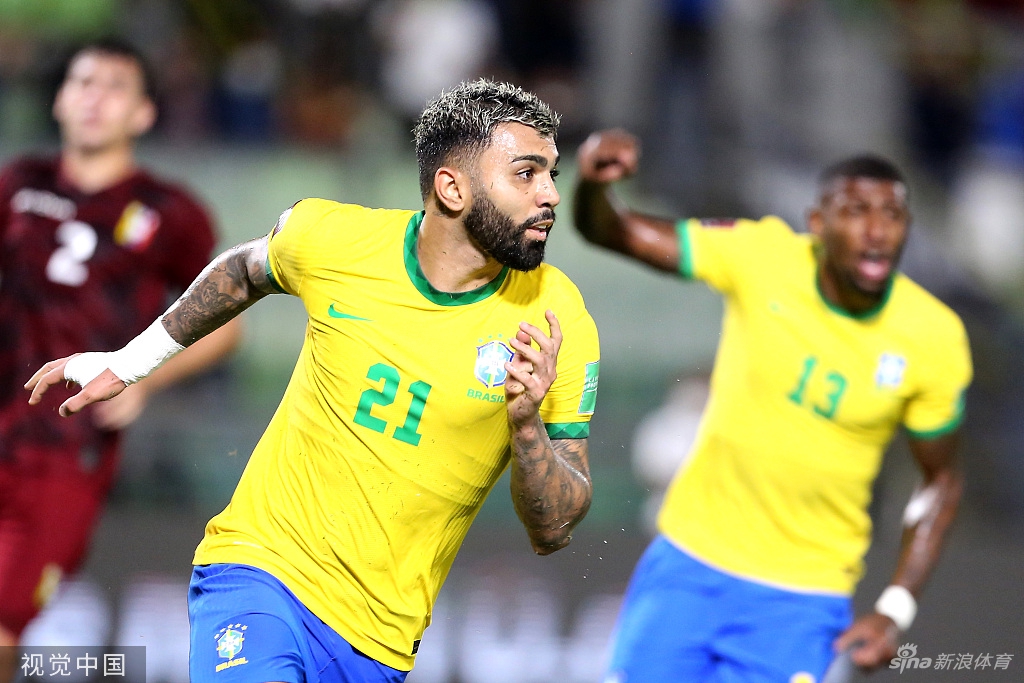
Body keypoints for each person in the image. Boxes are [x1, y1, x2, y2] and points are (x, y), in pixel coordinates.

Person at [26, 79, 600, 683]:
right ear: (451, 188)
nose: (551, 195)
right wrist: (131, 362)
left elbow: (554, 528)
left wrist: (526, 425)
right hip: (260, 573)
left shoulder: (556, 319)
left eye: (551, 174)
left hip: (379, 642)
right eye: (526, 174)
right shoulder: (333, 240)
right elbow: (244, 271)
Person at [573, 129, 970, 682]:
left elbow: (939, 482)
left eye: (893, 215)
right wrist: (593, 186)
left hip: (802, 597)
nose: (877, 231)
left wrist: (896, 608)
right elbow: (615, 231)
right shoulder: (763, 256)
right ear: (818, 223)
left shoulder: (933, 338)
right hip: (689, 565)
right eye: (856, 211)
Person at [0, 38, 242, 665]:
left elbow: (224, 326)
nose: (94, 99)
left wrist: (142, 381)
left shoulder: (170, 213)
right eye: (83, 82)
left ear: (143, 114)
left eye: (114, 87)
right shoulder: (16, 184)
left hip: (63, 451)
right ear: (59, 99)